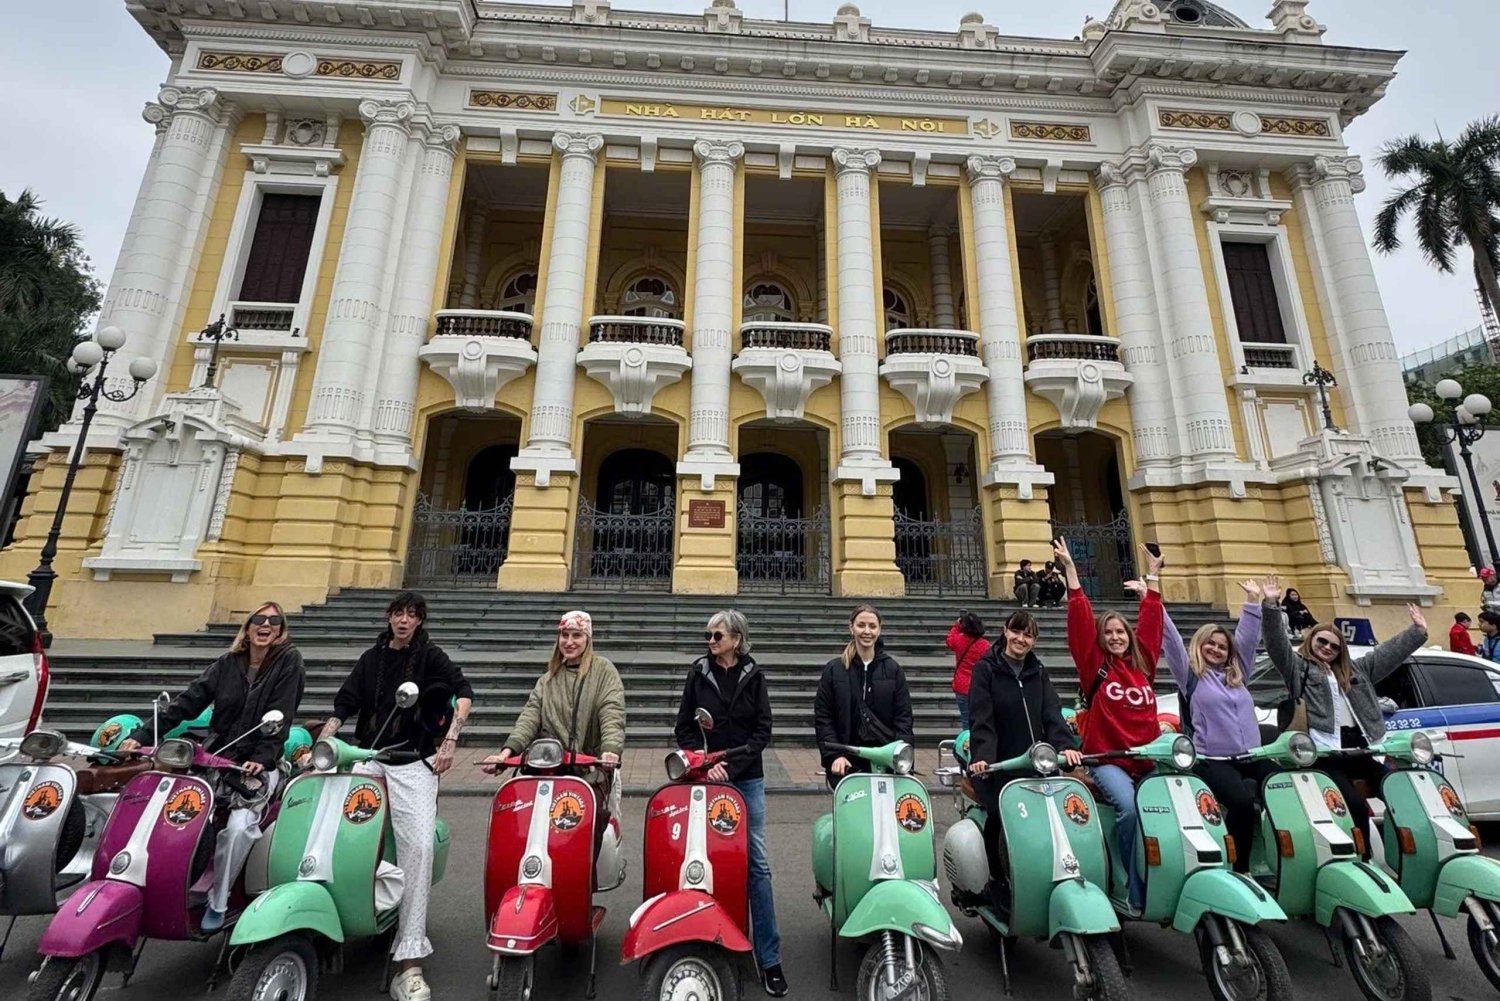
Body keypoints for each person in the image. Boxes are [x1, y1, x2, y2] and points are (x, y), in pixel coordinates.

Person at [319, 592, 474, 1001]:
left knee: (419, 848)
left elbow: (462, 693)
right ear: (389, 617)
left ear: (420, 621)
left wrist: (450, 742)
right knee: (332, 834)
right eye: (398, 613)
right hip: (370, 757)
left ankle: (409, 959)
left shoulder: (431, 657)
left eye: (411, 615)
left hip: (412, 762)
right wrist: (325, 739)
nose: (404, 620)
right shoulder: (372, 659)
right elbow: (346, 701)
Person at [121, 602, 305, 932]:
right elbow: (187, 702)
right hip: (217, 757)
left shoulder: (288, 662)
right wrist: (142, 734)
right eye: (258, 619)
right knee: (176, 815)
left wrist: (262, 759)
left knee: (237, 829)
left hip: (257, 764)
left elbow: (282, 714)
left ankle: (218, 903)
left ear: (280, 631)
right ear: (247, 628)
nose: (266, 625)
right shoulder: (227, 663)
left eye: (274, 621)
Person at [1261, 578, 1427, 858]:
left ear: (1341, 651)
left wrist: (1417, 631)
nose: (1327, 648)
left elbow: (1388, 653)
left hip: (1361, 751)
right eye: (1321, 641)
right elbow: (1277, 644)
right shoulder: (1299, 668)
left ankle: (1406, 855)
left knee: (1401, 793)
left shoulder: (1356, 671)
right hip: (1326, 753)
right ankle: (1364, 860)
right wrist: (1271, 605)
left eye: (1334, 646)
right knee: (1354, 805)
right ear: (1311, 641)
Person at [673, 610, 785, 997]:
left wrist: (731, 763)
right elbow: (683, 727)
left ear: (737, 639)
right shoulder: (697, 673)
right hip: (706, 780)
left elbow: (763, 729)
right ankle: (704, 939)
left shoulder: (754, 675)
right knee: (700, 856)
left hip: (747, 778)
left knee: (757, 863)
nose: (710, 641)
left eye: (717, 635)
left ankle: (770, 959)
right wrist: (705, 764)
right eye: (707, 635)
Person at [1056, 537, 1164, 911]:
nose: (1116, 637)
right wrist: (1071, 572)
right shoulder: (1094, 667)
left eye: (1121, 632)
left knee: (1173, 807)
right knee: (1130, 810)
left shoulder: (1143, 666)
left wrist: (1152, 578)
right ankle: (1129, 881)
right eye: (1109, 633)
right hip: (1108, 761)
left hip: (1149, 760)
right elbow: (1080, 621)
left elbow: (1152, 622)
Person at [965, 610, 1082, 909]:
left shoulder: (1037, 671)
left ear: (1035, 640)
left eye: (1028, 634)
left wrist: (1066, 747)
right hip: (1002, 764)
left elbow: (1052, 714)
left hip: (1037, 762)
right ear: (1005, 631)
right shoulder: (986, 669)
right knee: (998, 815)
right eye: (1016, 632)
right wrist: (983, 758)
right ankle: (997, 880)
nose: (1021, 639)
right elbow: (982, 718)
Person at [481, 610, 626, 847]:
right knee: (521, 822)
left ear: (588, 639)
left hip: (589, 772)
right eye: (564, 635)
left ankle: (586, 881)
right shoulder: (547, 679)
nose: (569, 642)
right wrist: (506, 753)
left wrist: (610, 750)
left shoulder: (603, 671)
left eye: (577, 635)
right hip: (548, 769)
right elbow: (529, 717)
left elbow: (612, 712)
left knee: (588, 828)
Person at [1158, 579, 1269, 873]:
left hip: (1251, 756)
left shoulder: (1238, 674)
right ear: (1199, 645)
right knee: (1241, 804)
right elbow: (1170, 640)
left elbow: (1247, 639)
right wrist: (1154, 596)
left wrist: (1252, 602)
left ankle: (1282, 857)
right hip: (1213, 760)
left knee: (1285, 786)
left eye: (1222, 646)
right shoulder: (1191, 676)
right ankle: (1240, 867)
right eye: (1210, 643)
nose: (1216, 650)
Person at [815, 605, 915, 787]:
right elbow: (824, 718)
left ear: (879, 630)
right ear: (851, 628)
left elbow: (904, 719)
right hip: (847, 760)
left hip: (886, 759)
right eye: (861, 625)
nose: (867, 631)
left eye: (872, 626)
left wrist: (901, 756)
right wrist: (835, 755)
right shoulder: (834, 670)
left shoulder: (893, 670)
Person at [946, 611, 989, 730]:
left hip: (961, 686)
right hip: (978, 685)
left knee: (965, 720)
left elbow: (949, 641)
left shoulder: (959, 640)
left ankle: (966, 744)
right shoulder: (984, 645)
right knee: (979, 718)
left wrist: (956, 626)